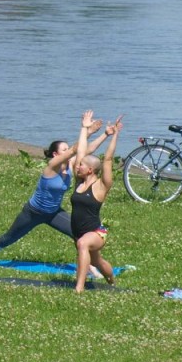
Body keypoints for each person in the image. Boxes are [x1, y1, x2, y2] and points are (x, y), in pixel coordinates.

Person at [0, 114, 106, 265]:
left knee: (80, 235)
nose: (68, 150)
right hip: (33, 212)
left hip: (54, 213)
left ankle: (91, 268)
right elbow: (75, 149)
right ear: (55, 154)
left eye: (67, 148)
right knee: (9, 238)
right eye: (64, 149)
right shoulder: (51, 167)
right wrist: (85, 129)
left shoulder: (71, 165)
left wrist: (105, 134)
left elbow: (87, 150)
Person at [71, 113, 123, 293]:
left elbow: (107, 159)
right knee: (97, 261)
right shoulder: (79, 182)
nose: (77, 166)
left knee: (83, 244)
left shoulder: (101, 186)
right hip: (78, 232)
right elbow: (81, 151)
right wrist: (84, 128)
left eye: (81, 165)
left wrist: (115, 135)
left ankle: (79, 287)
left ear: (91, 169)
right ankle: (111, 279)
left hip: (96, 233)